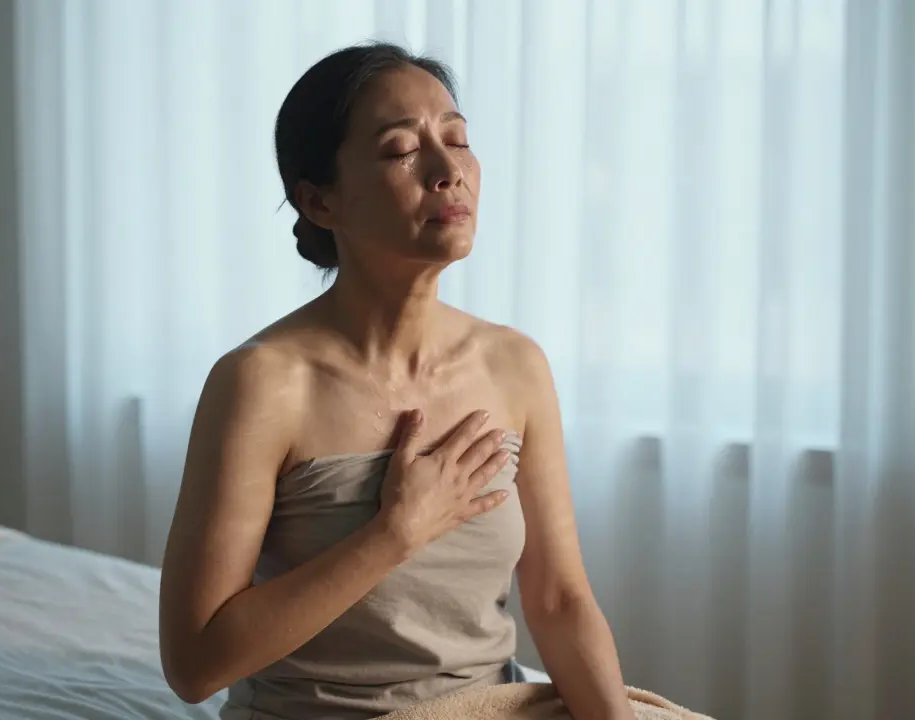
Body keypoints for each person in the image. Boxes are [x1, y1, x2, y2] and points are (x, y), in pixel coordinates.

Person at [158, 42, 634, 720]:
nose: (449, 171)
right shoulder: (262, 383)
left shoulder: (514, 365)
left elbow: (559, 600)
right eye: (400, 151)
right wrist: (396, 532)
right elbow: (195, 663)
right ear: (321, 202)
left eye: (458, 139)